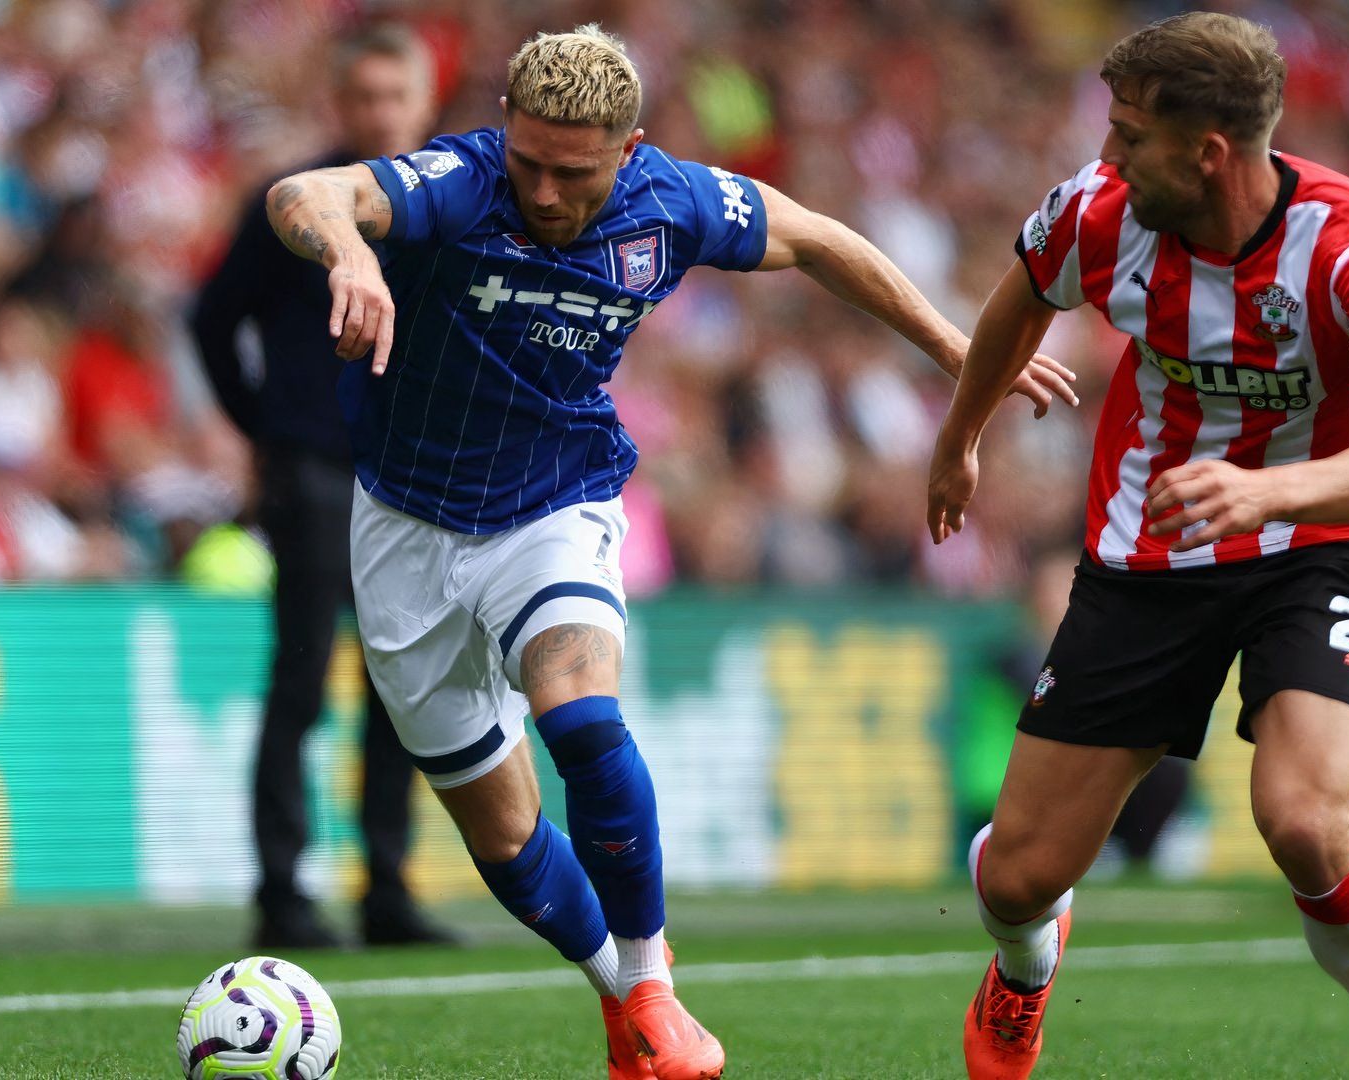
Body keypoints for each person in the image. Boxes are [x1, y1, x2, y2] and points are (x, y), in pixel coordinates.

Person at [262, 24, 1075, 1080]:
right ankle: (619, 995)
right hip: (403, 526)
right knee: (505, 841)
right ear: (504, 130)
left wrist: (962, 350)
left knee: (583, 719)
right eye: (531, 162)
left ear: (629, 147)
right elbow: (308, 194)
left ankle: (651, 981)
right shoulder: (459, 181)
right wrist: (354, 249)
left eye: (575, 171)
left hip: (556, 504)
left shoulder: (675, 202)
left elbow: (821, 238)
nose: (546, 193)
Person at [926, 13, 1349, 1080]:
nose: (1109, 155)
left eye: (1129, 135)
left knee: (1308, 822)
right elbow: (1017, 303)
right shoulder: (1100, 213)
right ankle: (1026, 974)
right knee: (1016, 880)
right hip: (1153, 552)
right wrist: (959, 441)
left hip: (1318, 539)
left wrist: (1269, 491)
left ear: (1207, 151)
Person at [190, 25, 456, 949]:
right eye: (366, 96)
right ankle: (282, 892)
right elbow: (212, 318)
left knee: (402, 687)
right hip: (314, 468)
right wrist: (264, 426)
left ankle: (386, 886)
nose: (381, 113)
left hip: (413, 477)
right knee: (301, 680)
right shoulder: (294, 210)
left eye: (397, 96)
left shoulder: (450, 208)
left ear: (424, 103)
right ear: (339, 104)